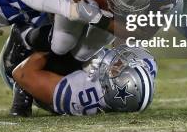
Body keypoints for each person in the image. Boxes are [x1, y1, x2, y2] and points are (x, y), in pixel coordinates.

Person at [12, 44, 157, 116]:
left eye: (118, 69)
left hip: (24, 64)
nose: (118, 62)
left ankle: (22, 98)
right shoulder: (147, 66)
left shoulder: (78, 93)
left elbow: (21, 73)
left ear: (110, 87)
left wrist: (52, 44)